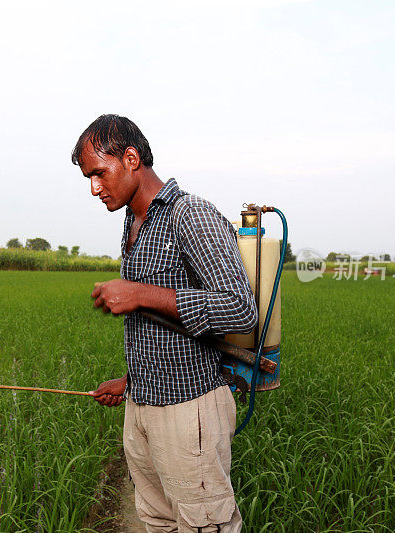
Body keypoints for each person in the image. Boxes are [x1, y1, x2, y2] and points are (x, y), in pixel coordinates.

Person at [72, 114, 257, 532]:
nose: (93, 188)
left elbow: (239, 309)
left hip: (188, 411)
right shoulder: (133, 222)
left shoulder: (189, 215)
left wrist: (139, 294)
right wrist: (131, 382)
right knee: (156, 520)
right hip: (142, 409)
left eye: (99, 173)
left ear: (131, 158)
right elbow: (160, 330)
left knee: (203, 524)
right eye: (88, 177)